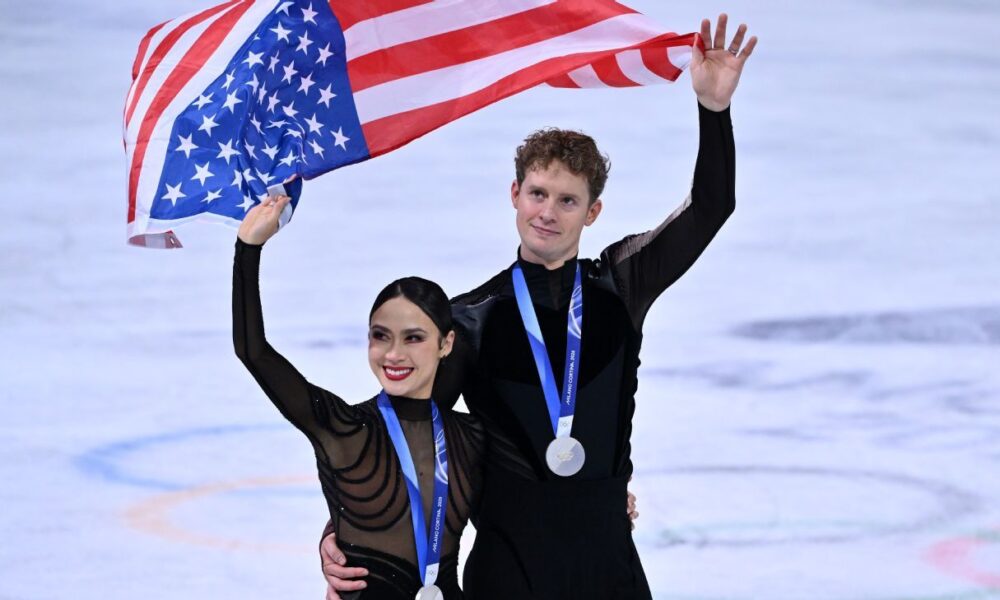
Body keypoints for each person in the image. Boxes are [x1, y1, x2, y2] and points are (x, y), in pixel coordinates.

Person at [321, 14, 756, 599]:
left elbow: (710, 208)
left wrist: (713, 109)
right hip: (509, 570)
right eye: (538, 194)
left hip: (607, 564)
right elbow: (408, 432)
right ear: (515, 196)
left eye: (568, 200)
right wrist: (344, 528)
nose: (548, 212)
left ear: (592, 213)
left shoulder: (620, 285)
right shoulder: (469, 318)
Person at [233, 195, 486, 599]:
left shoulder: (472, 437)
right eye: (380, 336)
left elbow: (527, 508)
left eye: (413, 338)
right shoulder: (344, 429)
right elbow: (254, 352)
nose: (393, 354)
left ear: (446, 343)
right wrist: (248, 248)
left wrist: (606, 499)